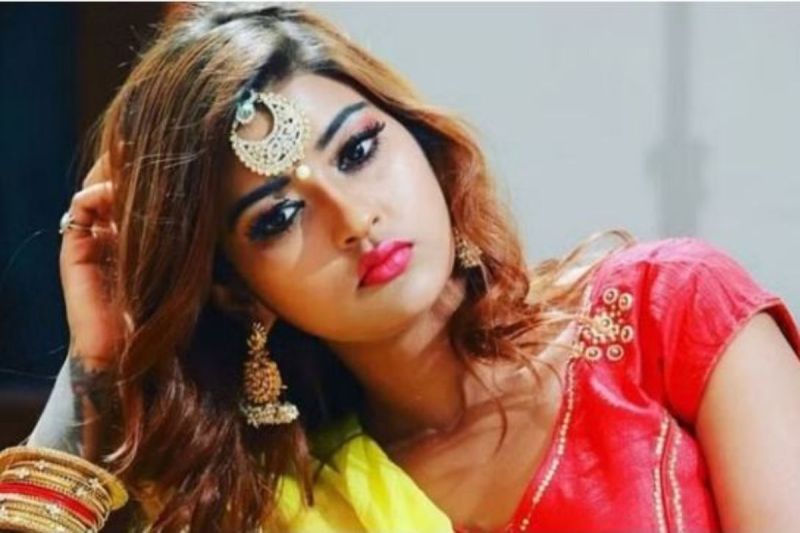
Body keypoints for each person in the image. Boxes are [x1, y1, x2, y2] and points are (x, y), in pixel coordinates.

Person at [2, 4, 799, 532]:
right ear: (238, 291)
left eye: (358, 150)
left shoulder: (667, 313)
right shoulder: (285, 506)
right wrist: (90, 374)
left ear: (422, 142)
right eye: (277, 218)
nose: (355, 219)